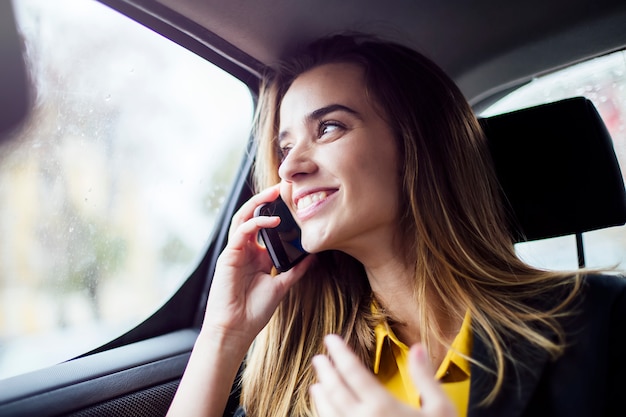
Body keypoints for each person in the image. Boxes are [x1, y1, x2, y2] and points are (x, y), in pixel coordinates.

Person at [167, 33, 626, 417]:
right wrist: (223, 336)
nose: (289, 169)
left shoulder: (603, 321)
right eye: (285, 149)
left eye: (328, 128)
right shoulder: (300, 363)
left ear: (417, 146)